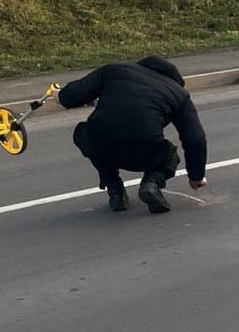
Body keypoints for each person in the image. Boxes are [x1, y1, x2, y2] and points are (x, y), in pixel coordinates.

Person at [58, 55, 208, 213]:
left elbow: (73, 95)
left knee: (85, 134)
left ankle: (116, 192)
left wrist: (59, 96)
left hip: (100, 145)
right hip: (144, 153)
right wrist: (196, 176)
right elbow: (195, 138)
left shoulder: (114, 71)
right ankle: (152, 182)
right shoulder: (179, 94)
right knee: (170, 155)